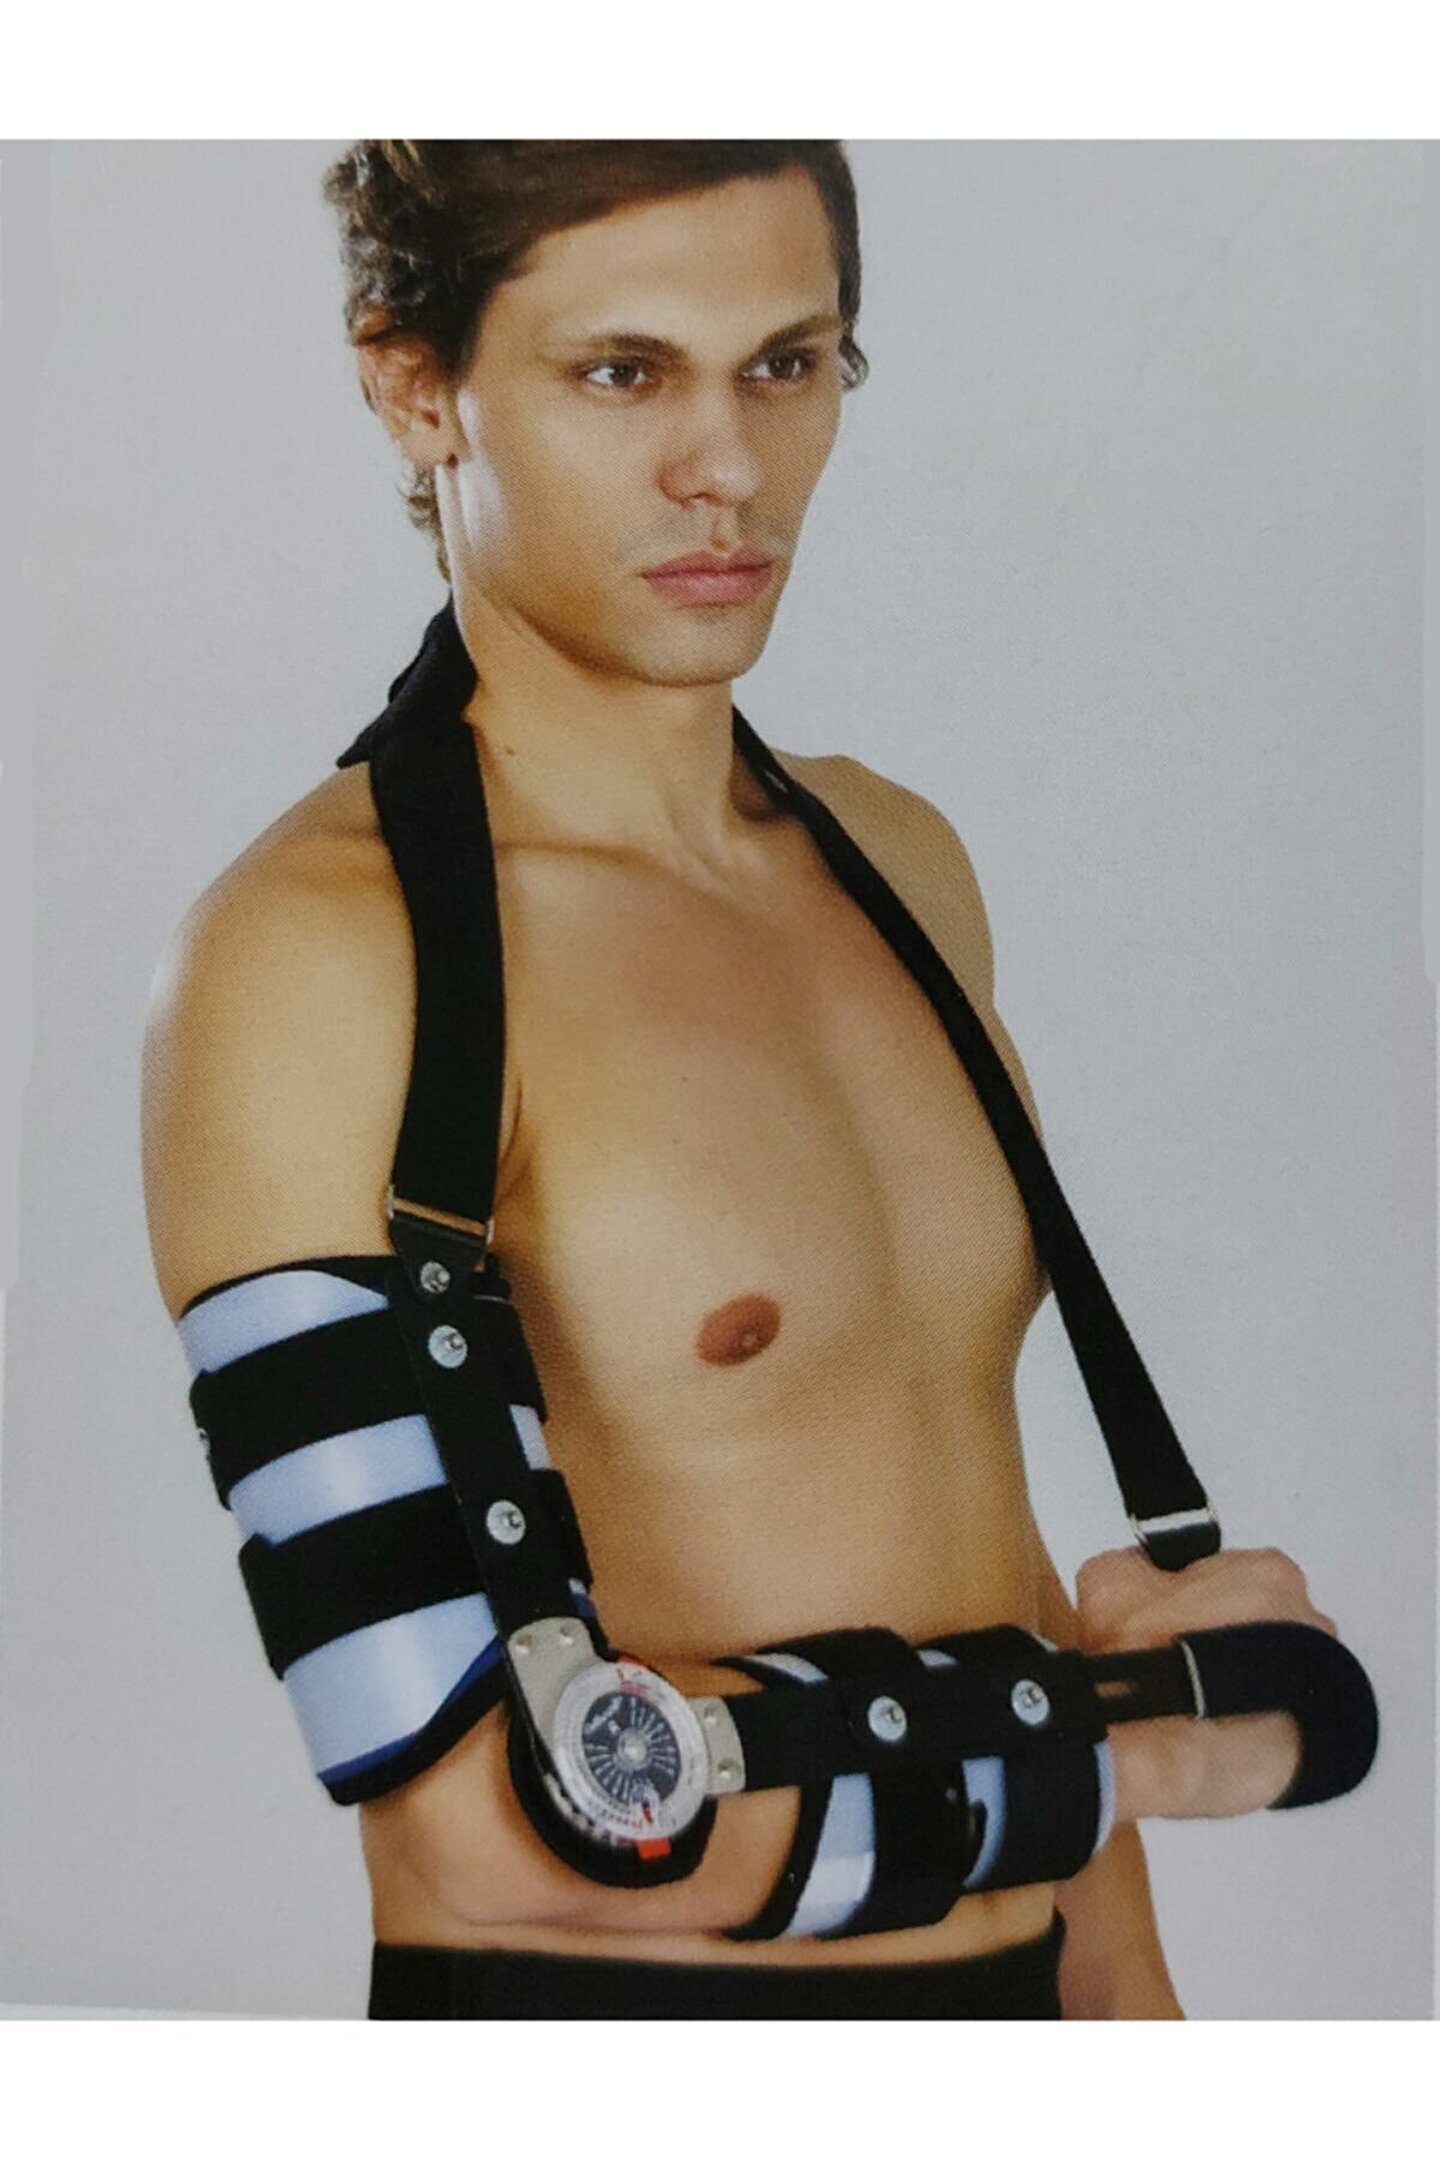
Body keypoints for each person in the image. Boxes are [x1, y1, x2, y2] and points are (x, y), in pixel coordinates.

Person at [141, 141, 1339, 2020]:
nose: (728, 469)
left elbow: (974, 1539)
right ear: (415, 382)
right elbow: (484, 1817)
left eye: (785, 364)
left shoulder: (899, 867)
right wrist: (1152, 1745)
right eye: (625, 373)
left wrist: (1133, 2025)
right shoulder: (320, 962)